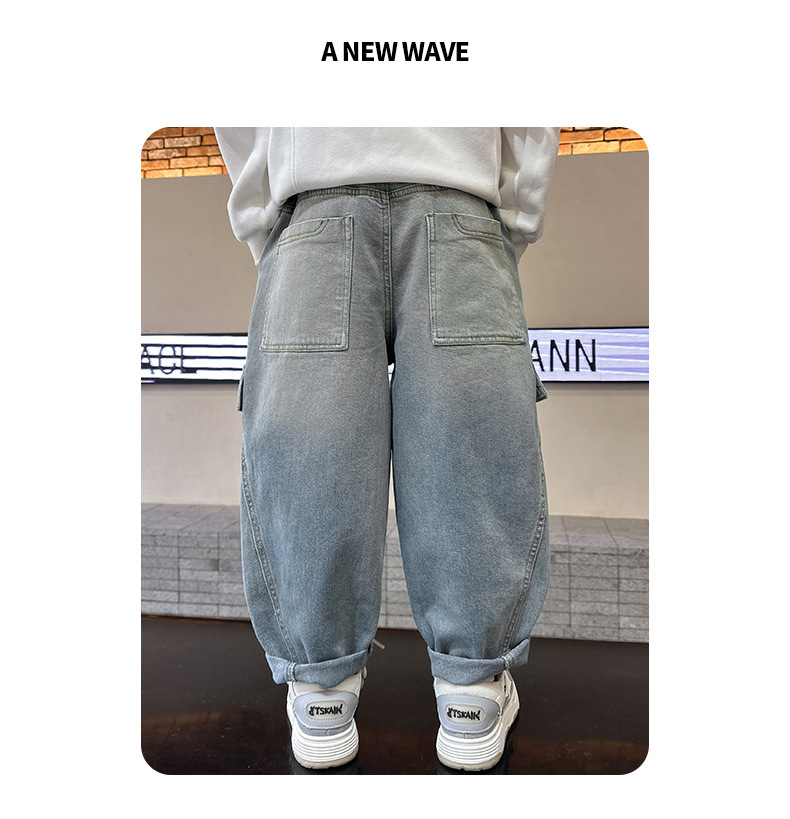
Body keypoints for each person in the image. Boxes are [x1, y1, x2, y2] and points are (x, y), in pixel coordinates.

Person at [214, 127, 560, 771]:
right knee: (471, 451)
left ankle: (321, 694)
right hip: (459, 202)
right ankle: (472, 693)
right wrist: (510, 220)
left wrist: (270, 222)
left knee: (310, 455)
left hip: (314, 207)